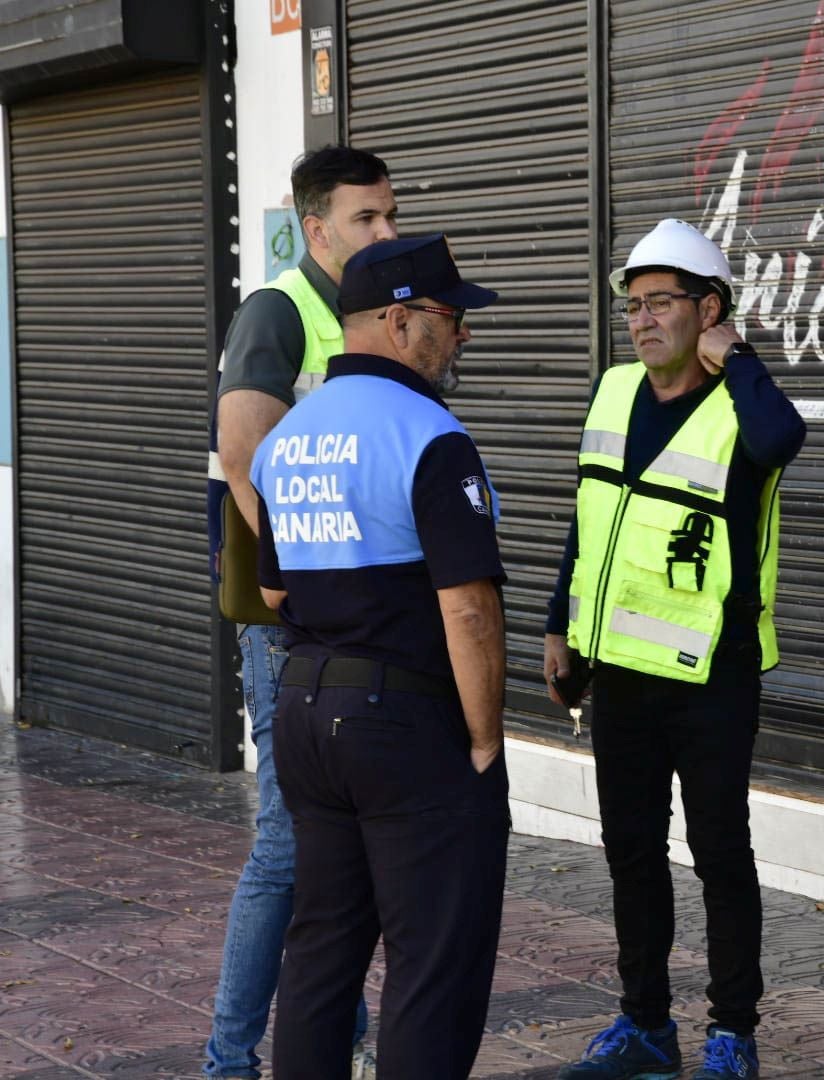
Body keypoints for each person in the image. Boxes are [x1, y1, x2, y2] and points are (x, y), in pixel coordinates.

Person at [544, 218, 806, 1080]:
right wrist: (559, 626)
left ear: (709, 309)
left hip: (710, 674)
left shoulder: (743, 405)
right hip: (618, 669)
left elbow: (784, 441)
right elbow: (590, 522)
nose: (643, 320)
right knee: (630, 851)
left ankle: (733, 1030)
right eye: (634, 305)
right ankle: (646, 1025)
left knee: (720, 850)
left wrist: (738, 359)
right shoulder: (614, 390)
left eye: (661, 303)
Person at [250, 234, 508, 1080]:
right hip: (407, 725)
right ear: (398, 322)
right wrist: (483, 739)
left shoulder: (287, 439)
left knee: (321, 950)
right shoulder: (431, 436)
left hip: (307, 716)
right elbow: (468, 607)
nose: (461, 335)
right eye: (449, 317)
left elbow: (276, 592)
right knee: (434, 959)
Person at [205, 144, 397, 1080]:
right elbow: (244, 453)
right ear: (316, 227)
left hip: (343, 625)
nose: (385, 231)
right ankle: (229, 1061)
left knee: (330, 843)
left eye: (390, 215)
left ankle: (339, 1029)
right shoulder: (279, 314)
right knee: (286, 844)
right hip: (291, 627)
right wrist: (293, 586)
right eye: (367, 219)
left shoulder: (357, 317)